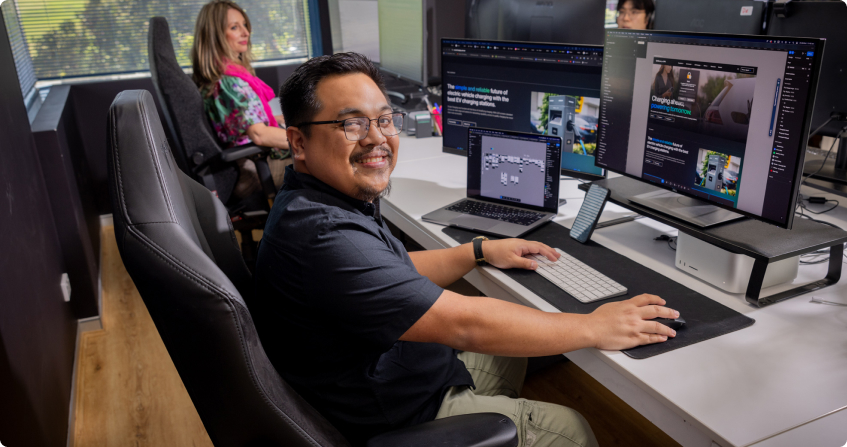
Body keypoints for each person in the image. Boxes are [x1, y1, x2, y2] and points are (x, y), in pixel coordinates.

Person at [251, 52, 680, 447]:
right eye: (352, 124)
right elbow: (464, 325)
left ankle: (490, 422)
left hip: (392, 372)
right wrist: (593, 326)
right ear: (299, 142)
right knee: (570, 430)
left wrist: (477, 251)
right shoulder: (324, 234)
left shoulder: (317, 199)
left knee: (509, 347)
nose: (376, 138)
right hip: (394, 413)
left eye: (384, 120)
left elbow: (389, 270)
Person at [191, 0, 291, 199]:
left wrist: (284, 121)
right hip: (253, 168)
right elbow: (259, 134)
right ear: (215, 35)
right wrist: (310, 141)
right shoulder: (229, 82)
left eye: (245, 25)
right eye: (234, 27)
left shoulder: (222, 74)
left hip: (254, 159)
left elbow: (247, 122)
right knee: (329, 163)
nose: (246, 32)